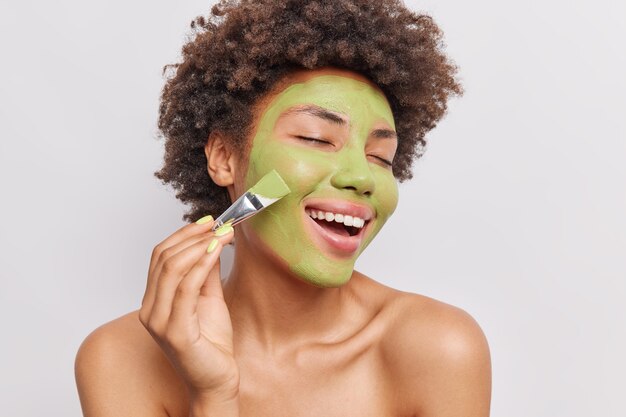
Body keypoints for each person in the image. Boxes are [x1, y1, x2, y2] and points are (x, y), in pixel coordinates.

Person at [75, 1, 492, 416]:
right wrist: (215, 394)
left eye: (381, 157)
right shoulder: (119, 357)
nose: (362, 177)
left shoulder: (438, 348)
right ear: (224, 158)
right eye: (315, 138)